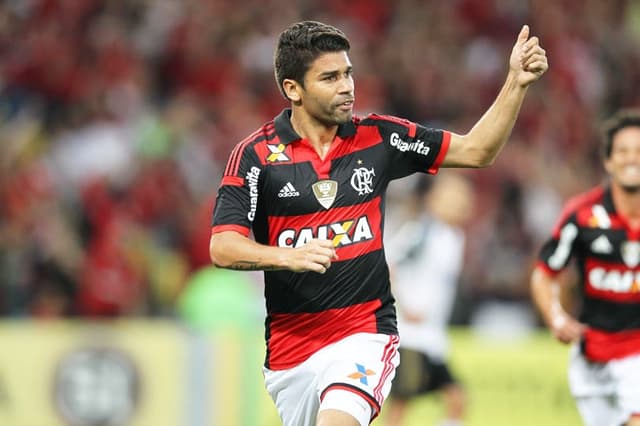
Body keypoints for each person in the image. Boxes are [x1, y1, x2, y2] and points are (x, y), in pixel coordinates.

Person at [210, 20, 547, 426]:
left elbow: (476, 150)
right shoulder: (256, 156)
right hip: (290, 351)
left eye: (348, 73)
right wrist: (288, 256)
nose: (347, 86)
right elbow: (222, 246)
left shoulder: (379, 138)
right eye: (330, 77)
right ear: (293, 89)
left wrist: (516, 83)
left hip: (364, 333)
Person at [530, 109, 640, 426]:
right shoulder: (582, 215)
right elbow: (544, 273)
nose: (632, 159)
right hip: (592, 355)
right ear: (608, 162)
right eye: (623, 151)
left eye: (638, 151)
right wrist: (555, 317)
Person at [385, 172, 474, 426]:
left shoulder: (453, 237)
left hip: (433, 338)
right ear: (434, 200)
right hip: (411, 336)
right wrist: (406, 305)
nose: (462, 202)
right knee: (401, 405)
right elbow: (389, 265)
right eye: (454, 195)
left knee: (457, 399)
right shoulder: (421, 233)